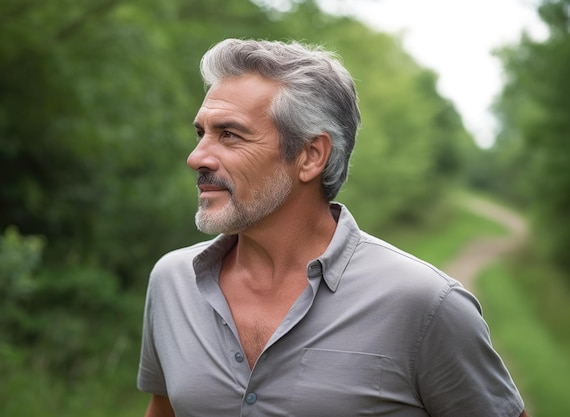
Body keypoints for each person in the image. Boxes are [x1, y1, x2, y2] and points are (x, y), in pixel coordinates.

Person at [137, 38, 528, 417]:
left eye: (230, 135)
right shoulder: (173, 282)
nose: (197, 157)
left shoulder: (425, 304)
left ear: (310, 156)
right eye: (201, 133)